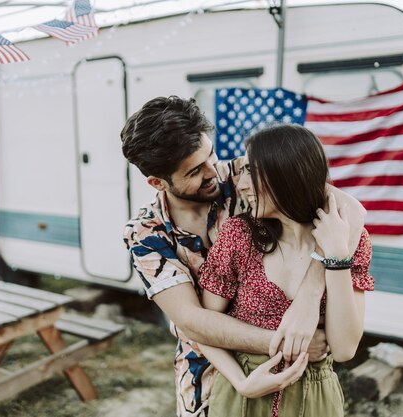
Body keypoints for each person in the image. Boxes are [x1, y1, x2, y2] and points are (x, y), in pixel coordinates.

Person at [121, 96, 366, 417]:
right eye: (195, 171)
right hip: (206, 371)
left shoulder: (246, 174)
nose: (214, 172)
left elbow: (349, 209)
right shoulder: (146, 233)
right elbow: (192, 320)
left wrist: (308, 296)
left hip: (298, 380)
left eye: (211, 155)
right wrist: (290, 344)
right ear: (157, 182)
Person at [197, 124, 374, 417]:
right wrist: (241, 383)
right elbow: (205, 327)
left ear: (286, 173)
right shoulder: (238, 235)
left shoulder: (351, 239)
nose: (241, 185)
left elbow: (344, 349)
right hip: (243, 394)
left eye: (251, 171)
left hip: (315, 397)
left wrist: (337, 256)